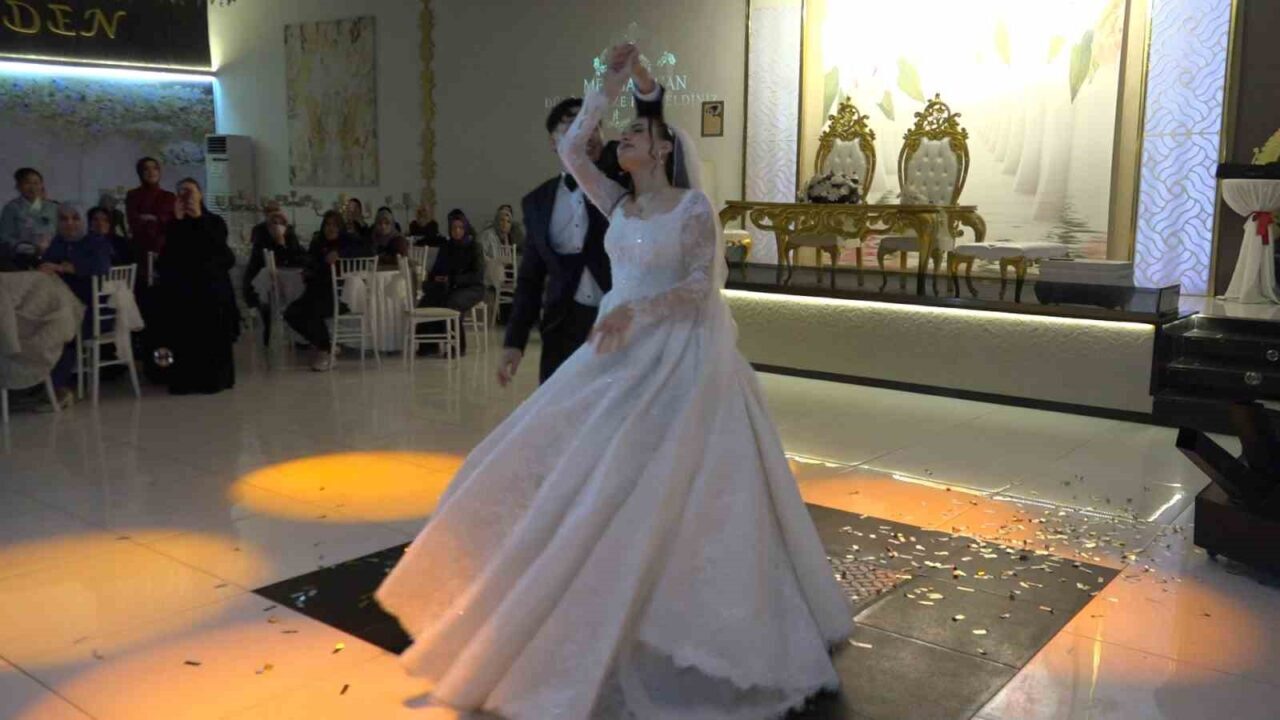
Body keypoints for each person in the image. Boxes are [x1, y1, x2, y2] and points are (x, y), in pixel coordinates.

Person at [376, 45, 851, 719]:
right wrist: (608, 83)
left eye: (634, 133)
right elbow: (573, 150)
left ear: (662, 149)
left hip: (675, 355)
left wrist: (638, 309)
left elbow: (700, 285)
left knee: (663, 478)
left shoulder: (691, 208)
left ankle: (670, 609)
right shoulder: (618, 205)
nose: (620, 139)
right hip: (614, 349)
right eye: (621, 132)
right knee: (552, 456)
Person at [498, 52, 666, 386]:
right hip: (562, 325)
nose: (586, 135)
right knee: (559, 408)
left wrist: (642, 82)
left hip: (620, 318)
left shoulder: (621, 171)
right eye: (574, 128)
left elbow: (651, 128)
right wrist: (514, 342)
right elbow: (531, 278)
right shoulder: (537, 202)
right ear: (554, 143)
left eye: (592, 126)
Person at [153, 178, 239, 395]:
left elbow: (217, 249)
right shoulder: (174, 224)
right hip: (184, 289)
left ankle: (215, 379)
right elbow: (168, 256)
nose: (186, 196)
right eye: (181, 192)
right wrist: (178, 221)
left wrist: (199, 218)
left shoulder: (215, 221)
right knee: (184, 334)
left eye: (190, 191)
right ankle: (185, 380)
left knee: (212, 333)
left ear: (200, 194)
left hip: (211, 287)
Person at [38, 204, 115, 409]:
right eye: (63, 219)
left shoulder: (97, 242)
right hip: (65, 306)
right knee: (35, 322)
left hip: (95, 312)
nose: (70, 223)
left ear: (83, 221)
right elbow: (46, 263)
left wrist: (64, 268)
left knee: (61, 330)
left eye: (75, 218)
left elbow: (100, 267)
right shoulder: (58, 242)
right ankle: (37, 384)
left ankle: (58, 389)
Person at [284, 210, 373, 372]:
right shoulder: (318, 242)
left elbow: (369, 249)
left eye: (334, 225)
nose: (330, 228)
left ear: (340, 227)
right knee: (291, 313)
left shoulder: (348, 240)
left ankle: (325, 351)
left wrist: (340, 254)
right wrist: (308, 271)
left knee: (312, 311)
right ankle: (327, 346)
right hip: (316, 291)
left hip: (340, 296)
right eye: (327, 225)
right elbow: (312, 262)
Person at [416, 209, 485, 356]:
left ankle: (457, 347)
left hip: (472, 288)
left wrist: (453, 279)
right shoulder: (446, 247)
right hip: (450, 286)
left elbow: (477, 275)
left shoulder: (474, 247)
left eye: (460, 228)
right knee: (429, 299)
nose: (457, 231)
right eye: (454, 228)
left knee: (453, 303)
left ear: (465, 228)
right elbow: (436, 270)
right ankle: (429, 345)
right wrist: (436, 278)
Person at [242, 204, 305, 344]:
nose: (277, 223)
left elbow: (296, 254)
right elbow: (263, 257)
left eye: (279, 218)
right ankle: (269, 328)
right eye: (271, 217)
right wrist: (279, 243)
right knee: (267, 293)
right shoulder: (260, 231)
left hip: (286, 275)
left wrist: (284, 243)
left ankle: (299, 333)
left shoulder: (289, 232)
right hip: (261, 276)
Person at [125, 157, 175, 283]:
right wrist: (156, 219)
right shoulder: (132, 195)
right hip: (139, 250)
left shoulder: (169, 196)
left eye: (155, 168)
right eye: (146, 169)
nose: (151, 172)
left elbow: (170, 223)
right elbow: (133, 221)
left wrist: (151, 218)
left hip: (163, 249)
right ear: (140, 173)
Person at [0, 168, 59, 265]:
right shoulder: (12, 208)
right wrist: (31, 249)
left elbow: (63, 233)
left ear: (42, 185)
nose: (32, 187)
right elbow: (5, 238)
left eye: (36, 183)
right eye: (27, 183)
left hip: (53, 257)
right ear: (18, 186)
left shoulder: (53, 207)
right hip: (22, 259)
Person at [476, 204, 516, 292]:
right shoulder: (487, 235)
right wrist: (496, 262)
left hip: (502, 273)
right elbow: (479, 256)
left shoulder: (507, 238)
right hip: (486, 273)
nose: (505, 224)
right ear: (497, 220)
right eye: (502, 220)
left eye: (508, 221)